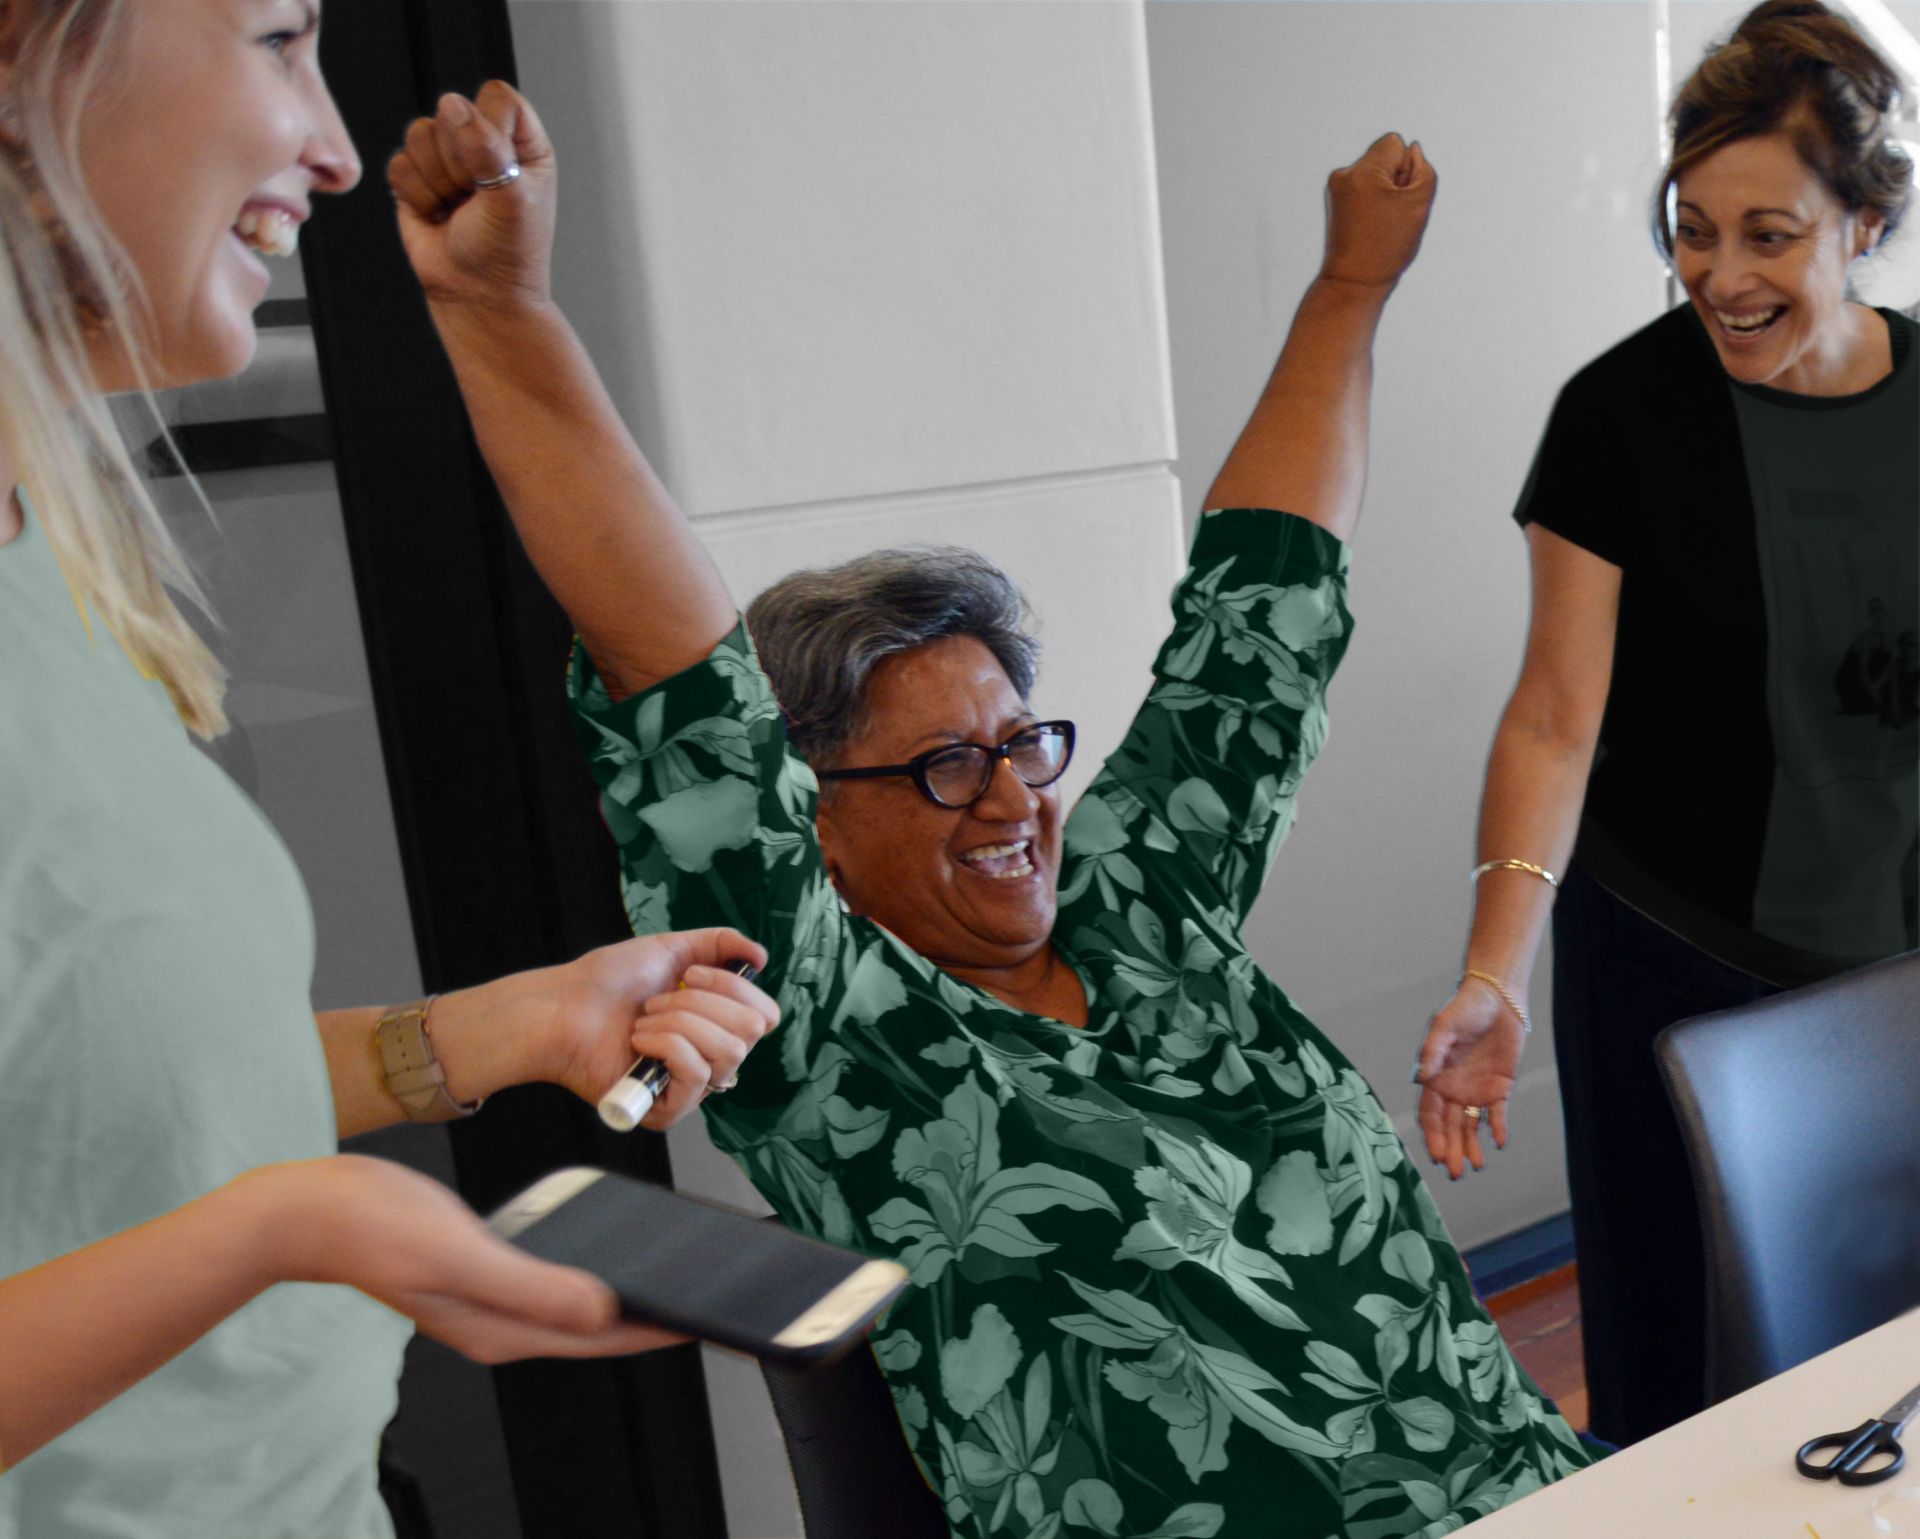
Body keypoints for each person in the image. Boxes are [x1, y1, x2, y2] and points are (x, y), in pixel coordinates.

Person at [391, 81, 1595, 1538]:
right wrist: (503, 310)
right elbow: (677, 677)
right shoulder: (837, 1036)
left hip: (1531, 1494)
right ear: (811, 820)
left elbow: (1259, 615)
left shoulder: (1138, 898)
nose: (1015, 797)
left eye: (1026, 743)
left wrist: (1350, 288)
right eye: (947, 766)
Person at [0, 2, 782, 1534]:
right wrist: (292, 1226)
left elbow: (90, 1108)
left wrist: (487, 1033)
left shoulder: (51, 554)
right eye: (276, 38)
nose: (339, 150)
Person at [1414, 0, 1917, 1448]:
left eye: (1769, 235)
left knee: (1885, 1349)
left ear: (1866, 223)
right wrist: (1496, 970)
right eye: (1692, 232)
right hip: (1676, 963)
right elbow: (1553, 718)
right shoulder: (1620, 416)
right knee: (1685, 1365)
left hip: (1895, 962)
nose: (1721, 277)